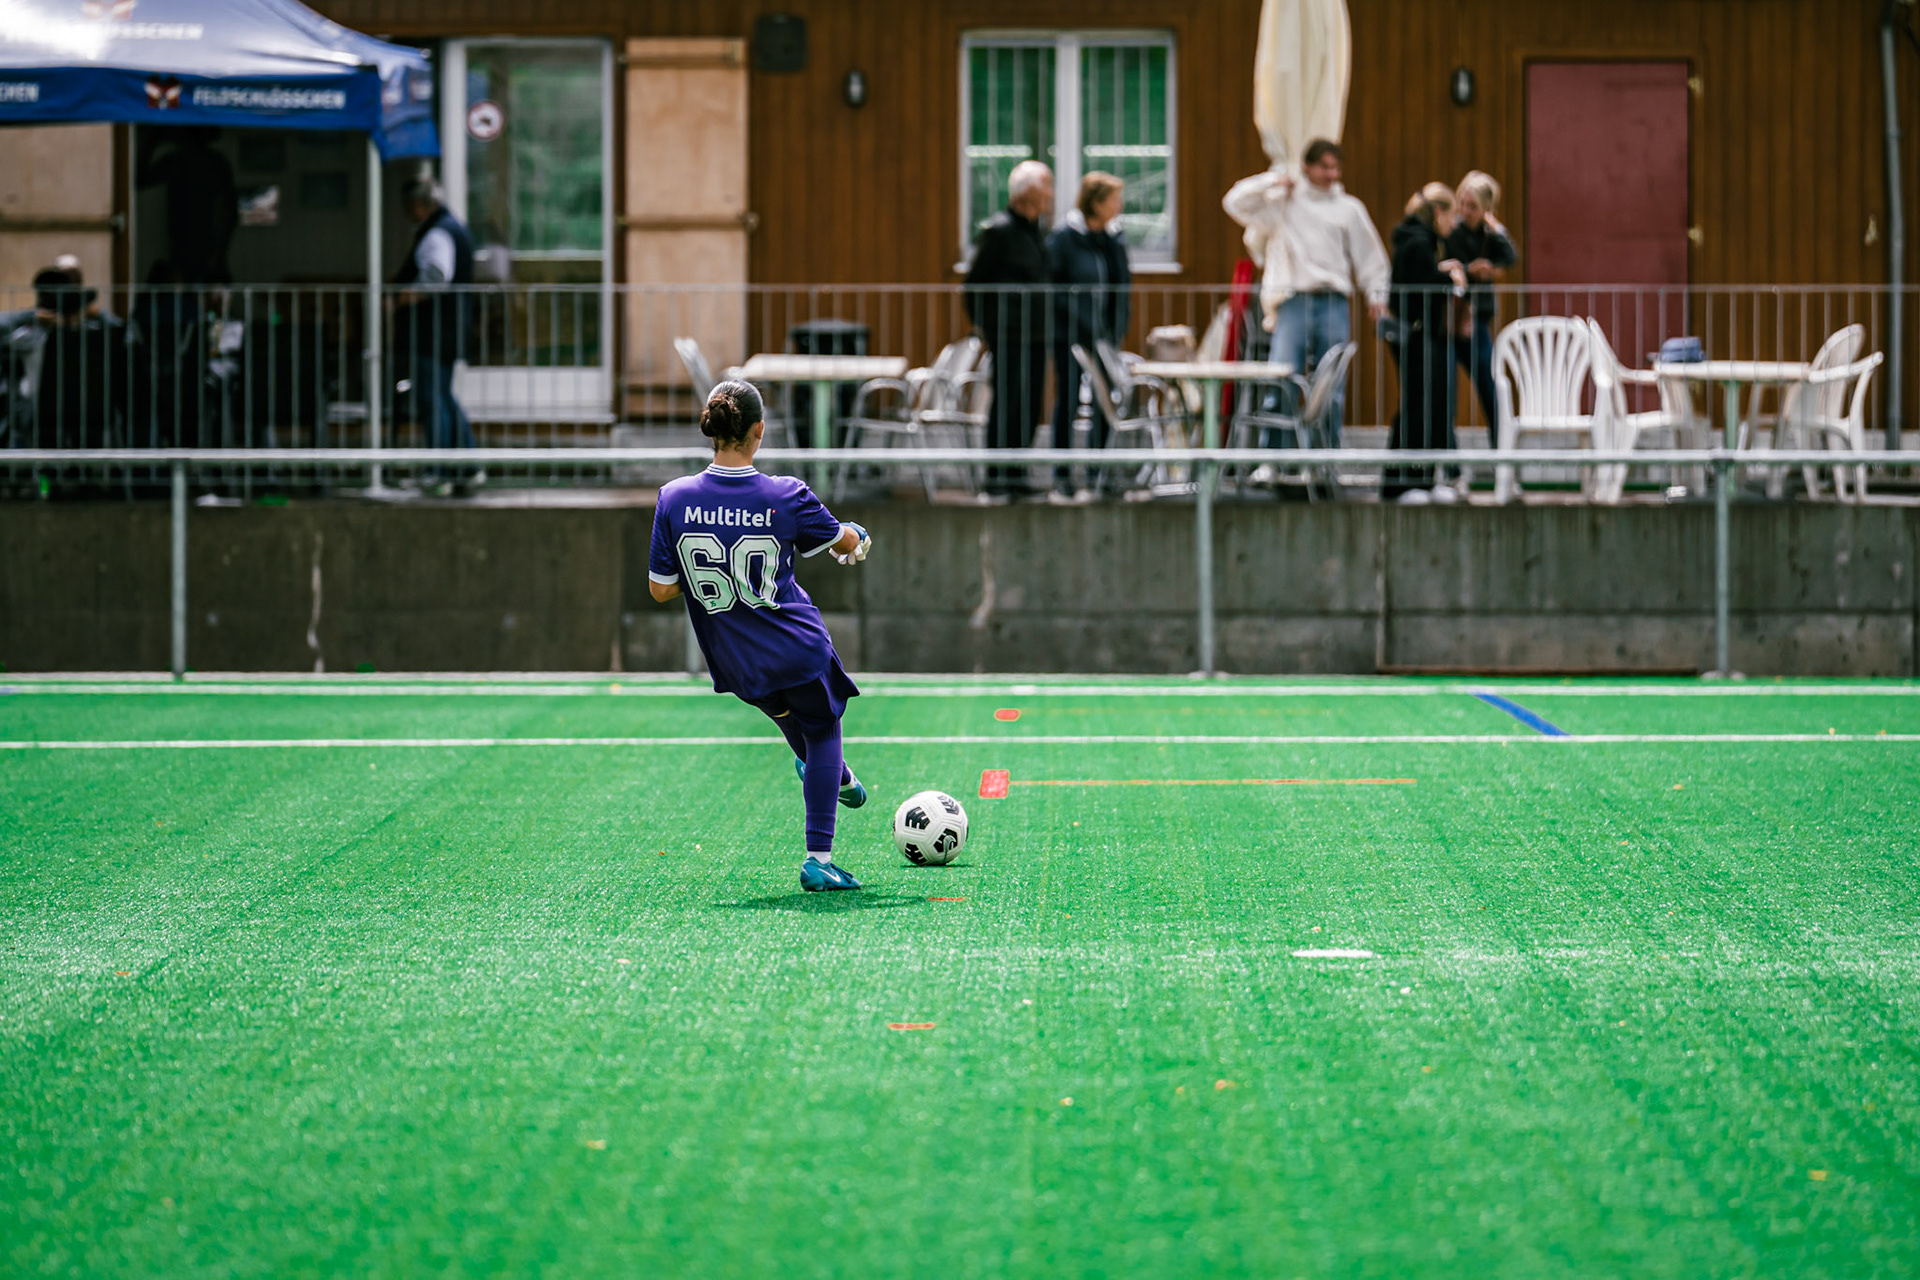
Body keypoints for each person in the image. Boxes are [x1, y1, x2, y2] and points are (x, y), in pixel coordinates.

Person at [648, 380, 876, 893]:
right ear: (758, 431)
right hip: (794, 646)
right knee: (821, 730)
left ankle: (833, 776)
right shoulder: (786, 494)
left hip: (734, 659)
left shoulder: (674, 497)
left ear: (711, 430)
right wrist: (857, 537)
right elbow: (844, 540)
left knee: (795, 720)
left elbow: (661, 590)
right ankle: (819, 855)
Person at [1222, 139, 1390, 441]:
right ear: (1307, 167)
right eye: (1324, 167)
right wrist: (1272, 180)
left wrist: (1376, 295)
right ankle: (1274, 461)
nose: (1331, 174)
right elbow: (1234, 202)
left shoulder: (1348, 208)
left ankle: (1324, 460)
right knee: (1280, 378)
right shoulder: (1285, 201)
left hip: (1333, 301)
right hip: (1293, 300)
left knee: (1330, 385)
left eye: (1335, 167)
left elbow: (1370, 255)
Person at [964, 160, 1053, 501]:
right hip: (1009, 334)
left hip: (1035, 333)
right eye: (1047, 188)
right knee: (1008, 403)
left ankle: (1018, 474)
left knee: (1030, 405)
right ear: (1029, 192)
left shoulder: (1036, 230)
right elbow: (974, 284)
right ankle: (998, 477)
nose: (1051, 196)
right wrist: (986, 328)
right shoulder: (999, 231)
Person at [1045, 171, 1132, 500]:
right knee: (1067, 400)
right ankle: (1062, 474)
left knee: (1104, 402)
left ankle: (1101, 473)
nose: (1119, 206)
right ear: (1095, 203)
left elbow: (1121, 286)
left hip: (1105, 337)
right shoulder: (1064, 238)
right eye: (1114, 199)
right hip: (1070, 334)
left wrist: (1118, 325)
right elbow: (1053, 286)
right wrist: (1076, 319)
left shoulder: (1114, 238)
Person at [1383, 183, 1468, 504]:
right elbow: (1421, 285)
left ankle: (1420, 481)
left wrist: (1440, 273)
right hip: (1417, 336)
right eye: (1452, 215)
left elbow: (1417, 278)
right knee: (1418, 409)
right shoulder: (1419, 243)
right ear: (1437, 213)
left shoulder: (1414, 240)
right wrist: (1449, 279)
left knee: (1423, 407)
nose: (1454, 223)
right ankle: (1404, 484)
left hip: (1415, 335)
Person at [394, 176, 478, 496]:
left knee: (433, 400)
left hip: (434, 331)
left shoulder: (437, 233)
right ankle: (468, 466)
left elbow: (436, 276)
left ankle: (438, 470)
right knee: (443, 397)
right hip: (451, 329)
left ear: (418, 205)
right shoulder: (453, 228)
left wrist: (405, 296)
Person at [1446, 171, 1518, 473]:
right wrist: (1468, 269)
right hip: (1451, 320)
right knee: (1446, 394)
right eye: (1463, 203)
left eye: (1473, 206)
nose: (1465, 211)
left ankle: (1501, 460)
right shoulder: (1454, 230)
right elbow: (1447, 262)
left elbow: (1510, 256)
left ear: (1486, 209)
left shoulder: (1490, 235)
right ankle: (1450, 466)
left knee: (1491, 390)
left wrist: (1496, 228)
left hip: (1478, 322)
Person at [135, 128, 236, 286]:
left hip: (201, 238)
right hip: (189, 239)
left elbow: (228, 209)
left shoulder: (208, 162)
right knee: (189, 289)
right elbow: (140, 180)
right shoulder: (181, 161)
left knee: (205, 287)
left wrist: (153, 141)